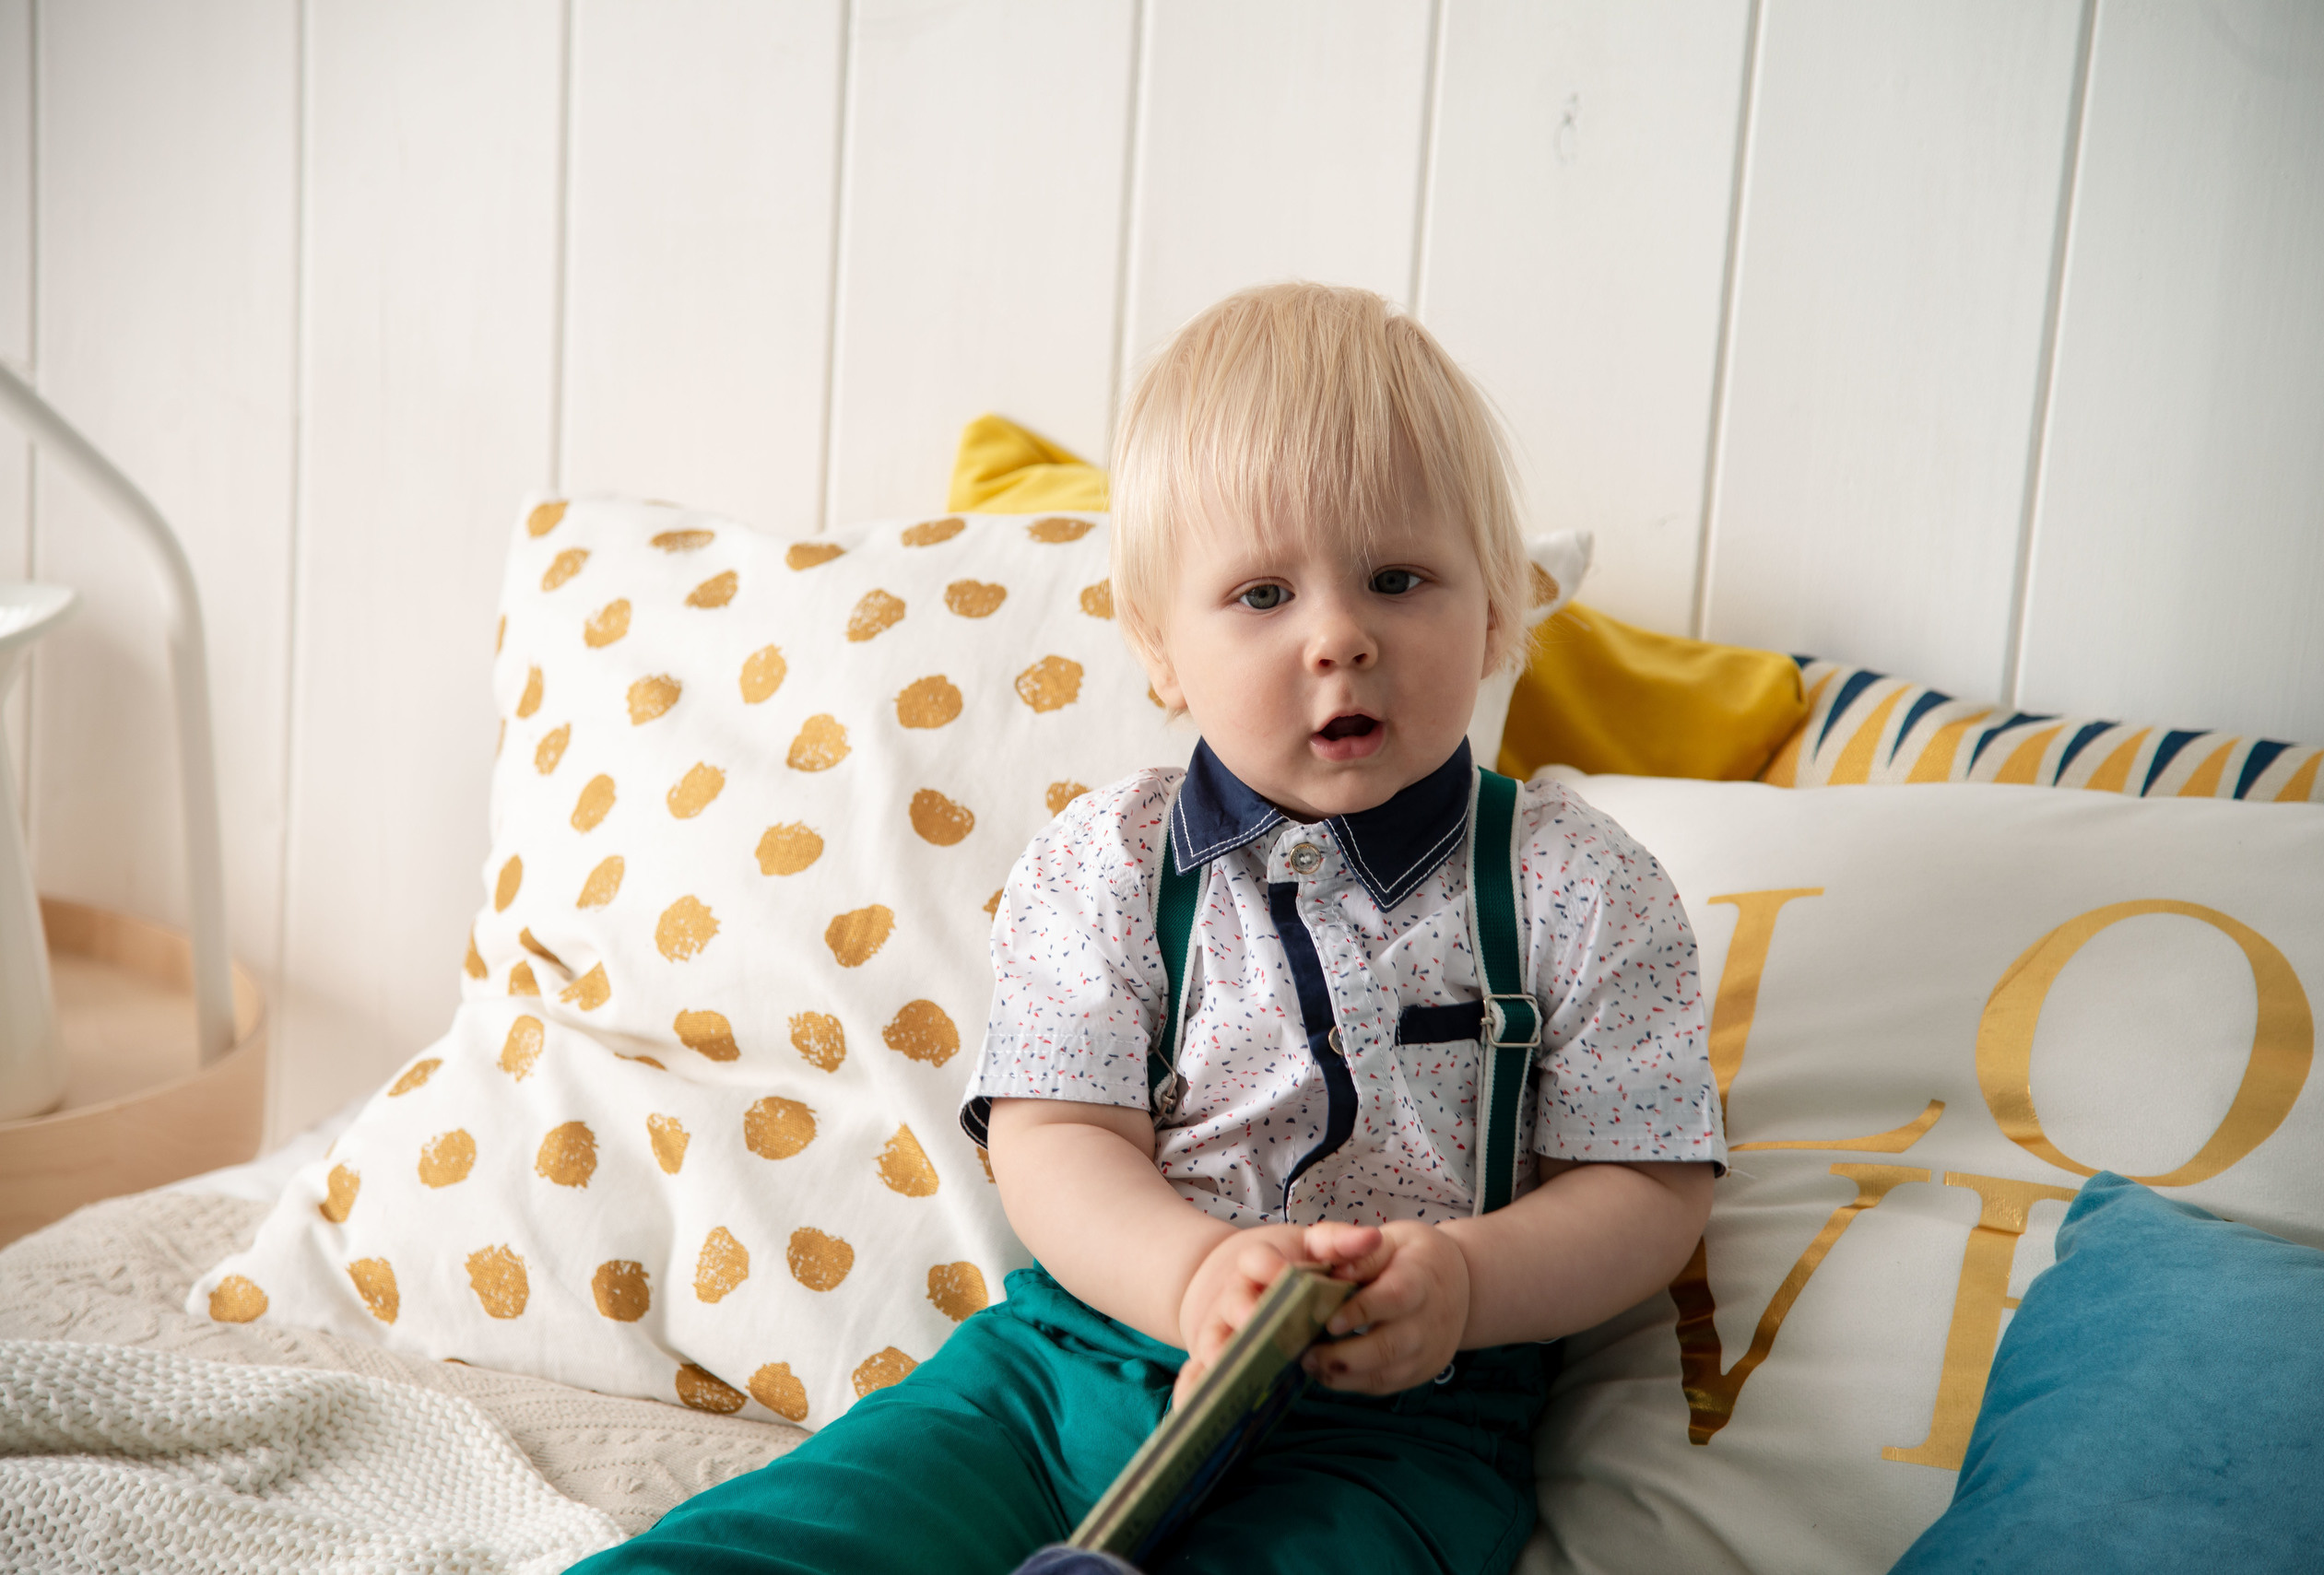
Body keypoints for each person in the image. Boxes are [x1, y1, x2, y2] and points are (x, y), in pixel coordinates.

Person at [570, 283, 1724, 1575]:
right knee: (808, 1528)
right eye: (1262, 594)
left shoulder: (1578, 883)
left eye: (1398, 579)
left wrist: (1463, 1284)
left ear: (1499, 611)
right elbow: (1054, 1134)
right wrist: (1190, 1279)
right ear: (1159, 648)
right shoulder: (1109, 865)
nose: (1340, 636)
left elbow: (1650, 1183)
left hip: (1404, 1420)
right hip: (1073, 1367)